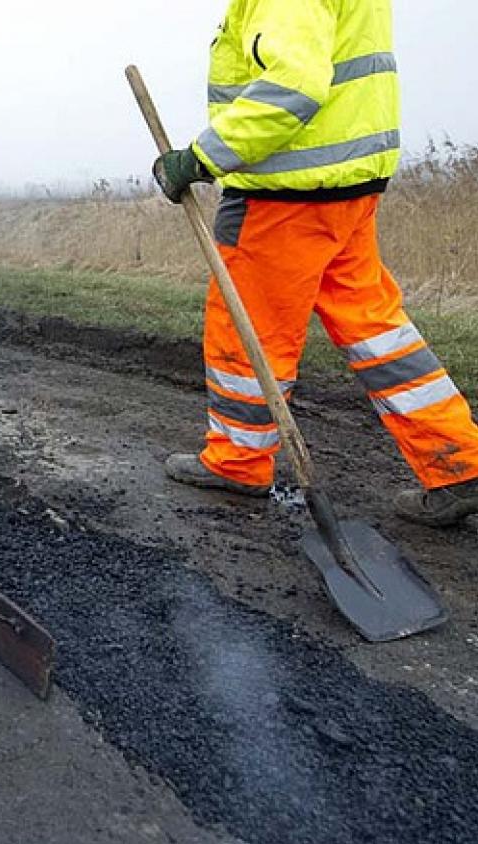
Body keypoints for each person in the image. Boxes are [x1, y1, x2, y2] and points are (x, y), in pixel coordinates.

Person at [152, 0, 478, 527]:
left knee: (248, 329)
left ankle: (238, 463)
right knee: (376, 329)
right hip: (348, 184)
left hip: (286, 197)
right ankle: (459, 460)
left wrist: (201, 157)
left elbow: (294, 87)